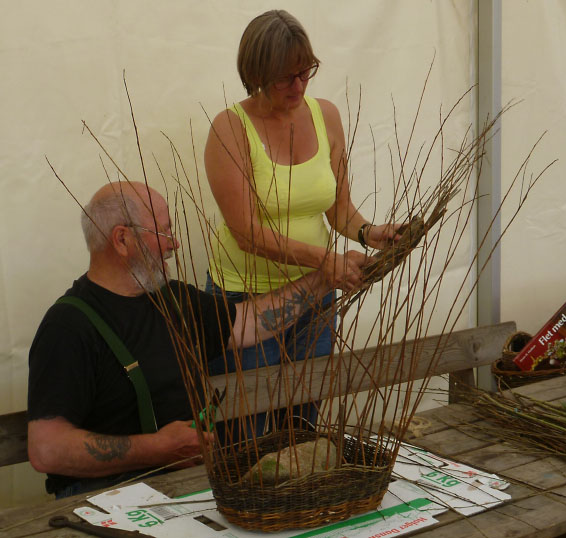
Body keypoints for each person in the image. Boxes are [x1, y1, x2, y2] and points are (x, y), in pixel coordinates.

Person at [27, 181, 331, 498]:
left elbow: (250, 323)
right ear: (122, 239)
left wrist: (324, 280)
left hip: (190, 489)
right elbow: (47, 449)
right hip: (109, 500)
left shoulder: (175, 299)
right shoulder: (68, 326)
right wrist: (156, 449)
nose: (174, 244)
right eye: (163, 232)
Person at [204, 10, 401, 430]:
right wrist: (323, 261)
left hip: (315, 298)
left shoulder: (325, 115)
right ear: (256, 72)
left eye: (305, 72)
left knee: (302, 424)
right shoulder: (230, 129)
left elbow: (339, 209)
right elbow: (247, 234)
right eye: (284, 77)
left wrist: (370, 232)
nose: (298, 86)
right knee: (249, 432)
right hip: (247, 302)